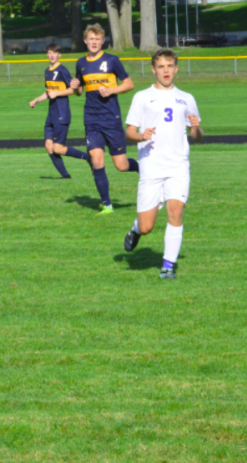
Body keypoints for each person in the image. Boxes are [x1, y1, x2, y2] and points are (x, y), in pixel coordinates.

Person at [122, 49, 203, 281]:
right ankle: (136, 229)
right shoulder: (142, 97)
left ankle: (167, 267)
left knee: (175, 212)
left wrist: (196, 128)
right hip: (151, 166)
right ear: (153, 69)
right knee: (147, 226)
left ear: (176, 69)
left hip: (178, 166)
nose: (166, 70)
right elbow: (129, 132)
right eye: (161, 66)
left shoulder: (187, 98)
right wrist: (141, 135)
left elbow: (196, 135)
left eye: (170, 66)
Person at [70, 24, 138, 215]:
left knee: (121, 165)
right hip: (91, 119)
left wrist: (111, 90)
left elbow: (129, 84)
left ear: (102, 41)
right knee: (97, 160)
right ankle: (107, 205)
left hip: (111, 118)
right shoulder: (80, 63)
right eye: (91, 39)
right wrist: (75, 86)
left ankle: (141, 168)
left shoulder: (112, 60)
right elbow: (79, 92)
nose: (94, 42)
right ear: (85, 40)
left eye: (97, 39)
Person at [29, 43, 89, 179]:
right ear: (47, 54)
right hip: (51, 114)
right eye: (50, 52)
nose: (52, 55)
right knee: (48, 145)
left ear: (59, 55)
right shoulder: (47, 71)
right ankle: (65, 176)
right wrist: (36, 100)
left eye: (54, 52)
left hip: (62, 114)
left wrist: (57, 94)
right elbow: (48, 92)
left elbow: (74, 89)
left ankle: (87, 157)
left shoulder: (62, 70)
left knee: (57, 148)